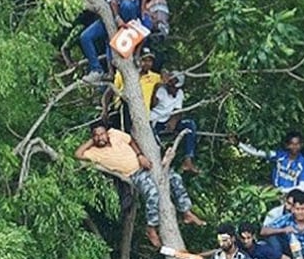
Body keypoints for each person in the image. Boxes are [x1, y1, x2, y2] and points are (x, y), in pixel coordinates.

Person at [75, 123, 206, 247]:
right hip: (135, 174)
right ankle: (151, 228)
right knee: (152, 192)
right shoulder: (94, 152)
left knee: (175, 178)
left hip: (146, 164)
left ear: (107, 133)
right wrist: (92, 141)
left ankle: (186, 212)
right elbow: (77, 154)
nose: (100, 138)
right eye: (96, 135)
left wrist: (140, 155)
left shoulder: (114, 134)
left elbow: (131, 140)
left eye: (102, 134)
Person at [80, 0, 152, 81]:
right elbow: (112, 1)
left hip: (130, 16)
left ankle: (135, 53)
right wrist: (117, 18)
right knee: (85, 37)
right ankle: (96, 69)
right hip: (113, 15)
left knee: (127, 4)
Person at [148, 70, 200, 174]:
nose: (173, 89)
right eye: (171, 85)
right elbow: (152, 105)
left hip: (169, 120)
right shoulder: (161, 90)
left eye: (175, 87)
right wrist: (157, 88)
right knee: (155, 142)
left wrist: (174, 121)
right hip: (156, 121)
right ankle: (157, 165)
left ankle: (188, 160)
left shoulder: (179, 93)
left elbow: (178, 111)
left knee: (190, 124)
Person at [231, 131, 304, 194]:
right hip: (273, 193)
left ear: (301, 145)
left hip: (291, 197)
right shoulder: (279, 155)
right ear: (287, 145)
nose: (295, 147)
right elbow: (256, 152)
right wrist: (238, 144)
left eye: (297, 144)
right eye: (292, 144)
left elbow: (301, 188)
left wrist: (280, 191)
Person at [104, 48, 161, 131]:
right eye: (144, 60)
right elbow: (110, 91)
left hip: (144, 114)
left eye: (150, 61)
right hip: (124, 110)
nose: (147, 63)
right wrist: (105, 109)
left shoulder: (155, 77)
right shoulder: (123, 74)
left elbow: (166, 80)